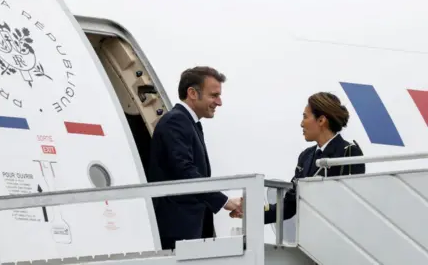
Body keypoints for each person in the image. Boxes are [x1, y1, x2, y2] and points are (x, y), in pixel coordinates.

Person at [230, 92, 366, 224]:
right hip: (310, 239)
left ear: (321, 120)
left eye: (305, 117)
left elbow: (351, 205)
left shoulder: (349, 152)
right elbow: (289, 205)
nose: (301, 124)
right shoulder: (306, 156)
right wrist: (252, 212)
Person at [148, 66, 242, 250]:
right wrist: (225, 202)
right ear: (192, 93)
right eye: (214, 95)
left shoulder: (189, 123)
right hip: (178, 227)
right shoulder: (176, 121)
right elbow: (184, 170)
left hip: (188, 226)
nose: (219, 102)